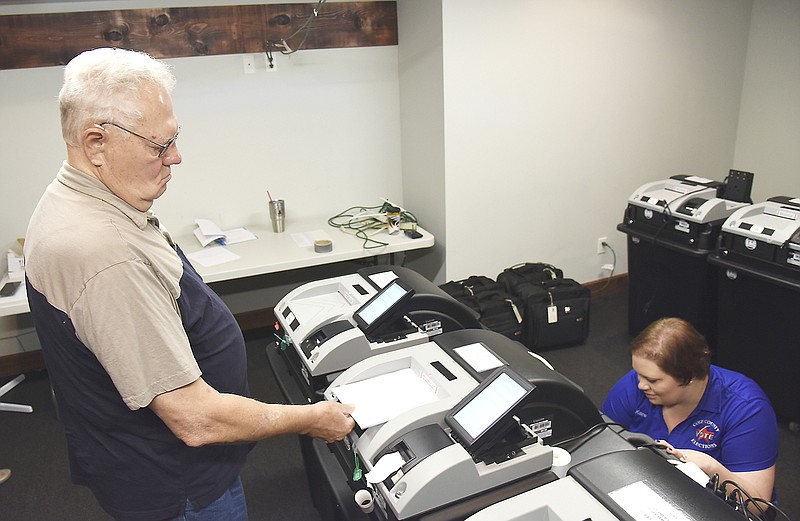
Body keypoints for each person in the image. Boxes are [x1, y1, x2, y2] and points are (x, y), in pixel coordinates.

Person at [24, 47, 355, 521]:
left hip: (155, 466)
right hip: (175, 485)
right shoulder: (103, 253)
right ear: (96, 143)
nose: (176, 157)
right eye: (160, 145)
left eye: (174, 138)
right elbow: (195, 418)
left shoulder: (84, 198)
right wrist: (311, 419)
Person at [602, 317, 778, 507]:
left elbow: (757, 507)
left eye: (653, 380)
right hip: (646, 488)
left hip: (709, 505)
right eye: (638, 373)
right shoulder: (638, 384)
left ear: (691, 375)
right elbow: (600, 440)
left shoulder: (746, 408)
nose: (640, 385)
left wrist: (710, 467)